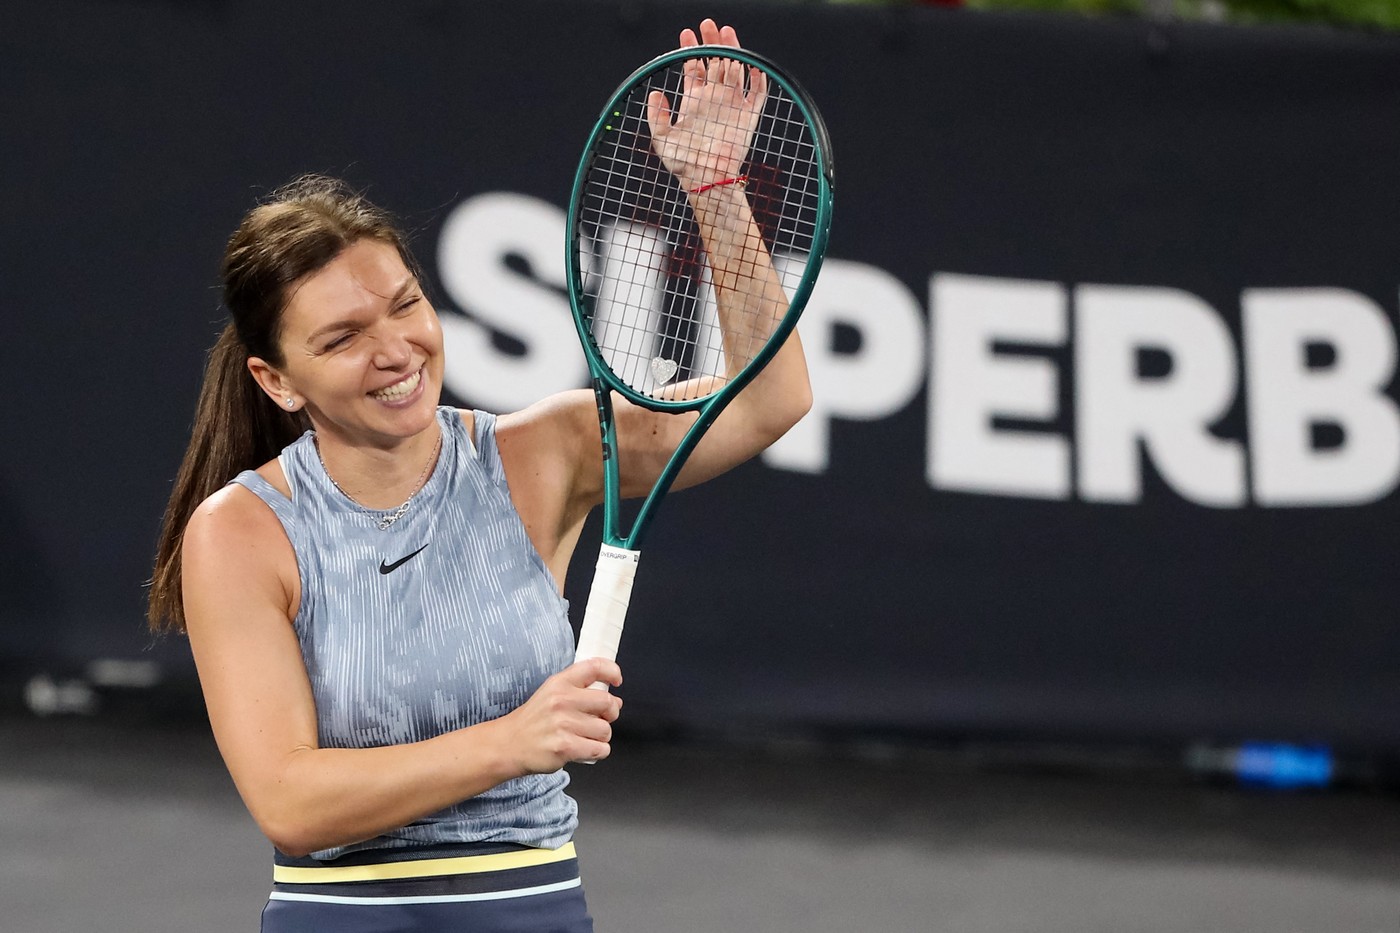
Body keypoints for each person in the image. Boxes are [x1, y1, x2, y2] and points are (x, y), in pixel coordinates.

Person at [146, 18, 810, 933]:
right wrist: (513, 741)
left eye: (405, 304)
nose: (395, 350)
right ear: (276, 380)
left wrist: (714, 189)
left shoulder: (547, 450)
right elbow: (291, 801)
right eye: (341, 339)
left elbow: (769, 399)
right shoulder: (241, 531)